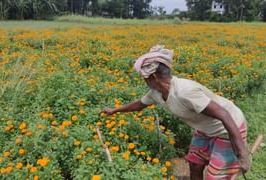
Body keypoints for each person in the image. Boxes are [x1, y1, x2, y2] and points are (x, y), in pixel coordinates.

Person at [102, 45, 251, 179]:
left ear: (153, 77)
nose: (144, 81)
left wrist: (242, 153)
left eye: (144, 78)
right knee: (194, 164)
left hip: (228, 127)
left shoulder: (185, 92)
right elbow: (139, 105)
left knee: (216, 176)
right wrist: (114, 111)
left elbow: (224, 115)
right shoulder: (157, 92)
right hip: (205, 128)